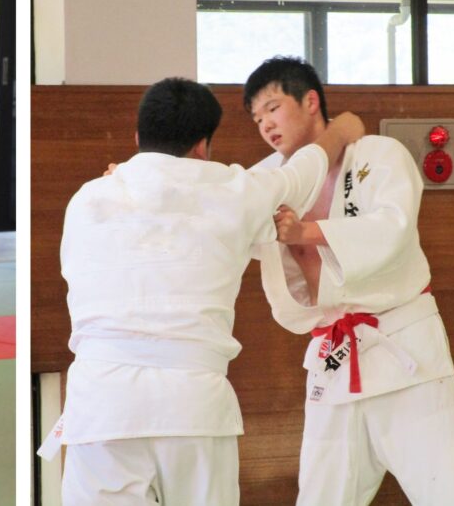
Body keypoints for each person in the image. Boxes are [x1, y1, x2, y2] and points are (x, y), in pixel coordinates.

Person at [37, 77, 363, 505]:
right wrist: (343, 129)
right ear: (202, 146)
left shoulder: (86, 199)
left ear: (137, 138)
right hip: (192, 408)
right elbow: (302, 174)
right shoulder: (235, 192)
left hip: (101, 406)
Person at [244, 56, 454, 505]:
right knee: (320, 497)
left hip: (404, 352)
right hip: (333, 358)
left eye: (273, 108)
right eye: (257, 118)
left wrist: (306, 232)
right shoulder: (269, 182)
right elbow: (209, 210)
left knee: (452, 492)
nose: (266, 125)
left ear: (310, 101)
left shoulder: (379, 154)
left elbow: (392, 228)